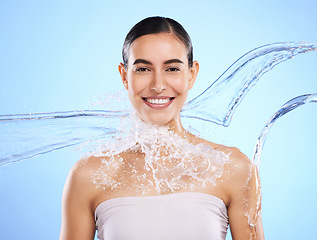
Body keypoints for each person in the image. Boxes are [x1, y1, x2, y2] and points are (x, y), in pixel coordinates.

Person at [59, 16, 264, 240]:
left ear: (191, 74)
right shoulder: (88, 176)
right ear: (124, 76)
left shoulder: (234, 168)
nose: (157, 86)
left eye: (172, 69)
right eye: (143, 69)